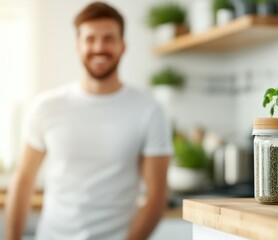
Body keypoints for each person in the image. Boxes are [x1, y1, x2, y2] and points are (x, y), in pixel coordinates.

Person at [5, 2, 172, 240]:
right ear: (78, 46)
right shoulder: (46, 106)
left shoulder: (149, 110)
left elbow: (157, 196)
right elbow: (23, 180)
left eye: (108, 39)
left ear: (122, 46)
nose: (99, 47)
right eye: (90, 39)